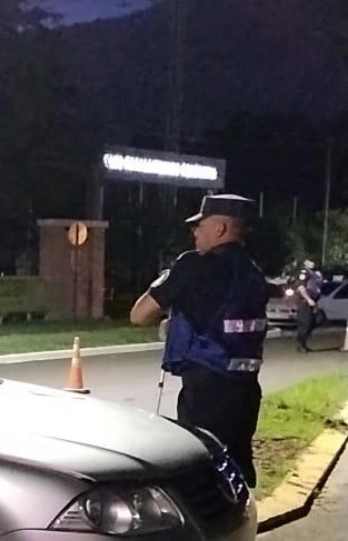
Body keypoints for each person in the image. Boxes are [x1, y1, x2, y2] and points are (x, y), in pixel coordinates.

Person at [130, 193, 269, 487]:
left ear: (219, 228)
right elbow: (222, 316)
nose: (195, 231)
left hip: (206, 391)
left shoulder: (193, 266)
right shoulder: (254, 274)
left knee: (201, 474)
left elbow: (139, 314)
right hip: (246, 391)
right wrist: (177, 324)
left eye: (200, 225)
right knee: (237, 471)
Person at [294, 259, 323, 352]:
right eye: (310, 261)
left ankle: (303, 341)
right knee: (305, 323)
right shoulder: (304, 273)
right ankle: (300, 344)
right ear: (305, 263)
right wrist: (308, 299)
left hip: (313, 300)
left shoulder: (315, 273)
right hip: (305, 301)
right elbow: (301, 287)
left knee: (317, 319)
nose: (313, 263)